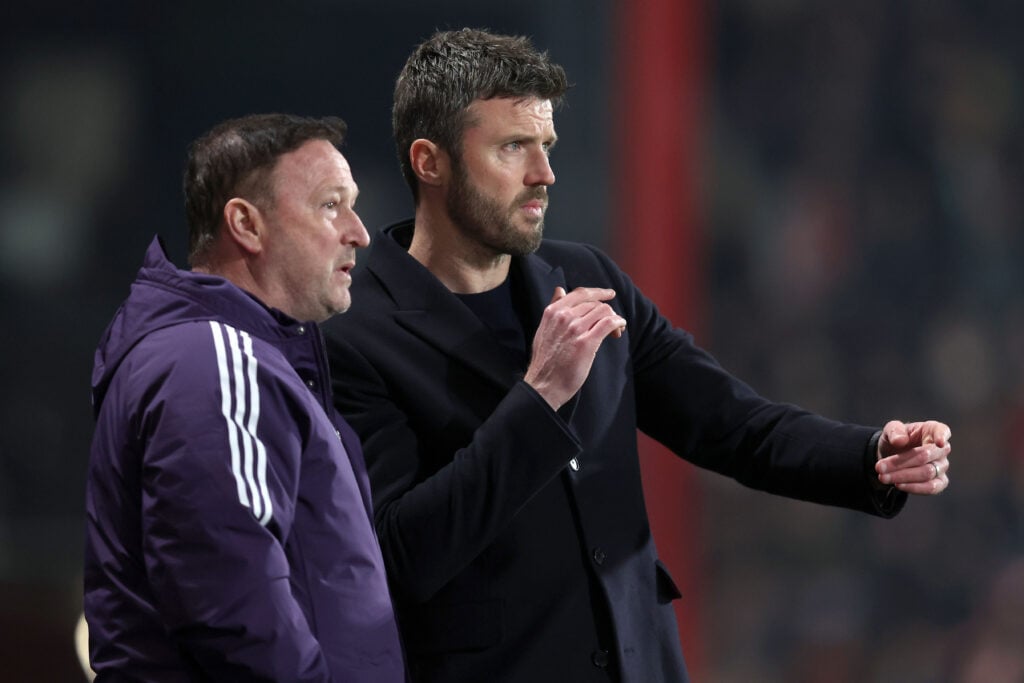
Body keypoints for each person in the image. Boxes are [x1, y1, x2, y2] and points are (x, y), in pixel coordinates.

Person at [321, 28, 952, 683]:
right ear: (430, 160)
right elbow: (402, 553)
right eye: (513, 147)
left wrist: (868, 454)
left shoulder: (586, 274)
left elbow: (732, 424)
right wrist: (538, 399)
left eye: (547, 146)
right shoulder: (354, 335)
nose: (544, 174)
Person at [84, 113, 406, 682]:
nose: (358, 230)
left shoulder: (241, 359)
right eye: (331, 204)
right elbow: (233, 605)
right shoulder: (211, 362)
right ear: (246, 224)